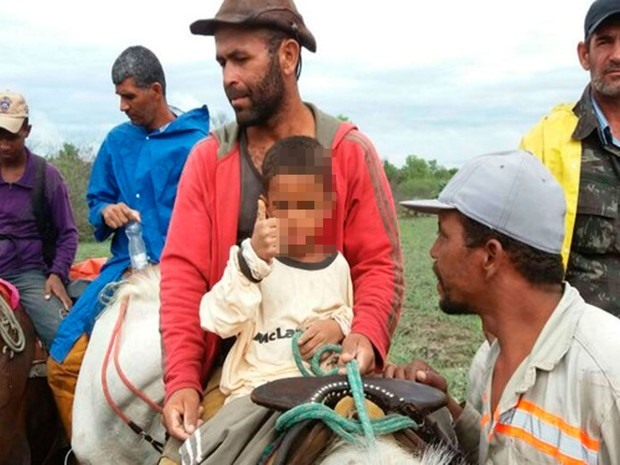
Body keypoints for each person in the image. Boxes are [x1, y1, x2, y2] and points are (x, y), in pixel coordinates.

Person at [159, 0, 404, 453]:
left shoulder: (348, 152)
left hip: (330, 365)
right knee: (180, 459)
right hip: (240, 371)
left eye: (241, 59)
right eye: (221, 62)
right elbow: (182, 280)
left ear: (288, 57)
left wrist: (363, 336)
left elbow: (379, 266)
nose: (228, 77)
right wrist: (183, 380)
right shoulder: (208, 161)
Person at [394, 150, 620, 464]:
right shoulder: (487, 361)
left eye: (443, 236)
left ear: (490, 256)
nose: (433, 251)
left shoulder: (608, 373)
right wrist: (448, 409)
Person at [46, 45, 210, 440]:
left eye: (129, 96)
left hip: (183, 272)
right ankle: (87, 449)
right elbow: (96, 200)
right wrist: (105, 212)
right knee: (63, 364)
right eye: (118, 95)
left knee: (213, 365)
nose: (122, 106)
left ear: (156, 90)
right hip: (123, 270)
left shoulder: (199, 145)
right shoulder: (117, 142)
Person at [180, 135, 354, 465]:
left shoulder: (338, 265)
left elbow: (348, 312)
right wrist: (253, 264)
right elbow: (217, 319)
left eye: (308, 207)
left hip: (323, 389)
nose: (296, 219)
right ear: (266, 206)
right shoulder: (249, 262)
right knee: (215, 449)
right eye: (284, 207)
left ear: (327, 204)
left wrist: (337, 327)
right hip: (258, 390)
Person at [520, 0, 620, 317]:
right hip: (578, 353)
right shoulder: (545, 142)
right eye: (604, 41)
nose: (617, 54)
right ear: (584, 54)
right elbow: (514, 264)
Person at [0, 90, 78, 349]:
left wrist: (56, 273)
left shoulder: (47, 177)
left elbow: (68, 234)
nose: (3, 144)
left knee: (66, 340)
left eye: (10, 136)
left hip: (28, 275)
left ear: (27, 130)